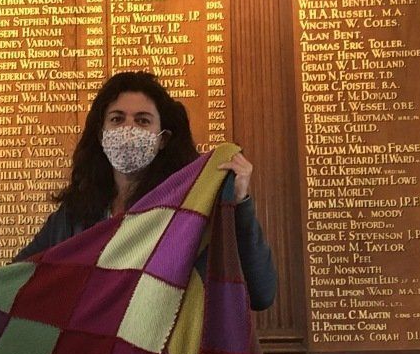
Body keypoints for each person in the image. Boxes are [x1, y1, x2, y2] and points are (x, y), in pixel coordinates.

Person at [16, 70, 277, 311]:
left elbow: (260, 293)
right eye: (117, 119)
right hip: (92, 345)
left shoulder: (191, 210)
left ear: (162, 139)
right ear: (101, 134)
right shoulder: (73, 215)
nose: (128, 129)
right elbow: (17, 280)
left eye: (142, 121)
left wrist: (239, 204)